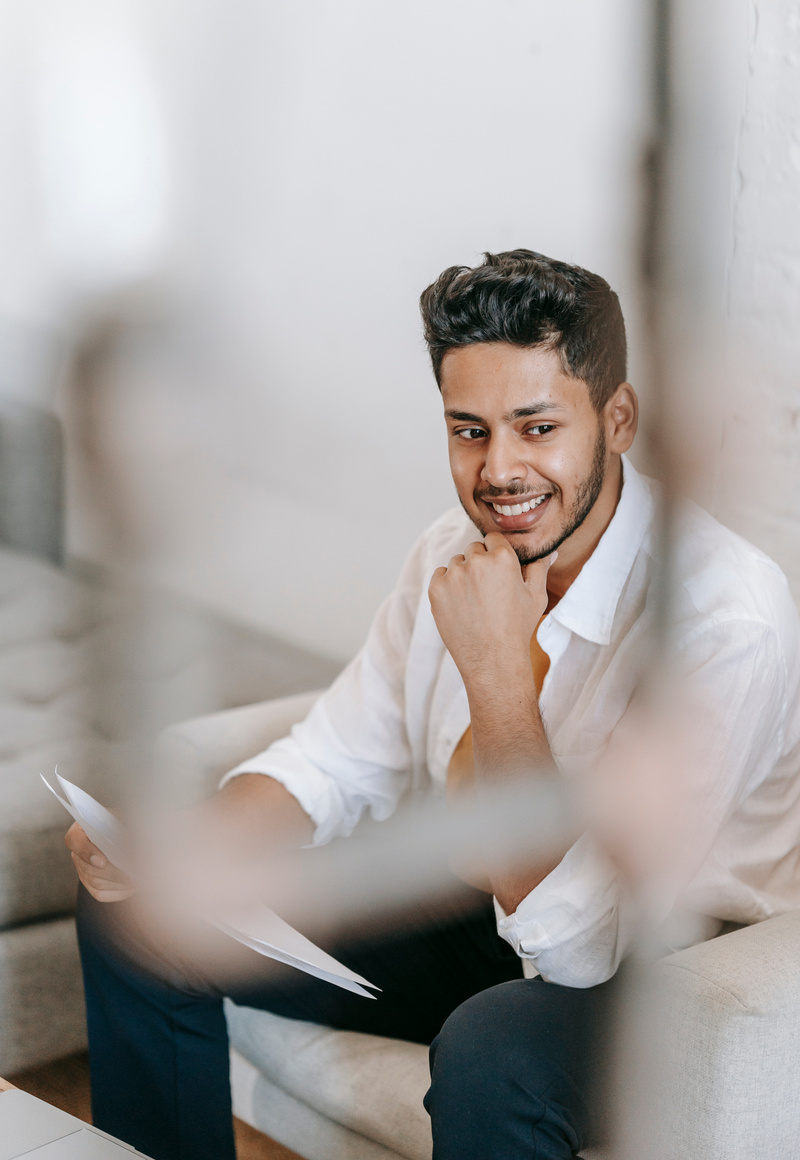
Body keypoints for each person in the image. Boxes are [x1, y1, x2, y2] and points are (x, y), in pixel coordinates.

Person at [67, 250, 800, 1160]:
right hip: (486, 908)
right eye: (468, 430)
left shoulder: (725, 617)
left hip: (671, 965)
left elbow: (581, 947)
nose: (499, 472)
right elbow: (340, 755)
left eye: (537, 428)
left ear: (618, 419)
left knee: (494, 1052)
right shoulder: (450, 550)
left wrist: (497, 673)